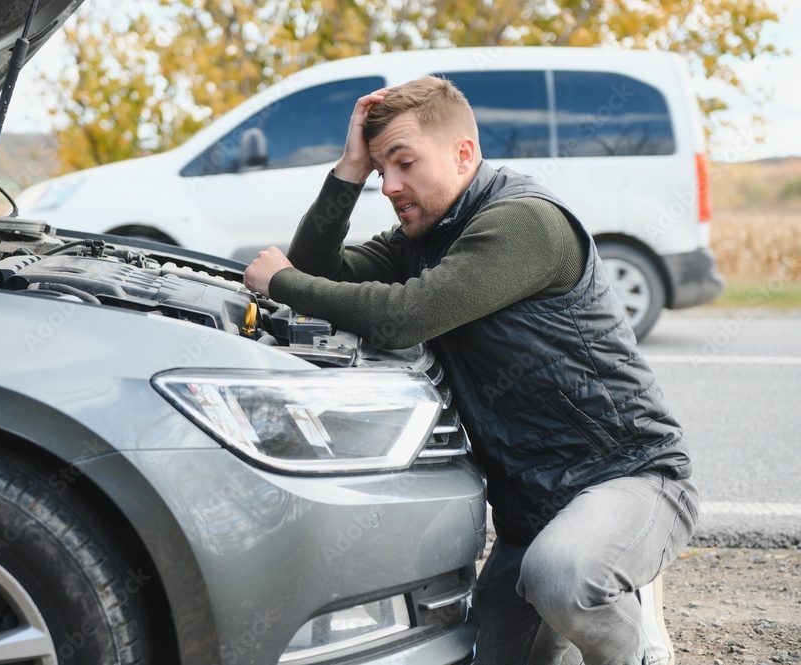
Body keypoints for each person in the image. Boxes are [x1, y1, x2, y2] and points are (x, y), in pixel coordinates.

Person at [243, 76, 699, 664]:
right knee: (488, 647)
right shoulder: (423, 236)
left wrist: (279, 281)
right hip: (531, 514)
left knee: (564, 578)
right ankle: (589, 569)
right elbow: (318, 269)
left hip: (630, 478)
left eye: (403, 163)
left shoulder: (525, 223)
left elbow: (402, 317)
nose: (391, 185)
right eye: (382, 170)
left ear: (464, 153)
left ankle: (635, 639)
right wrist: (348, 168)